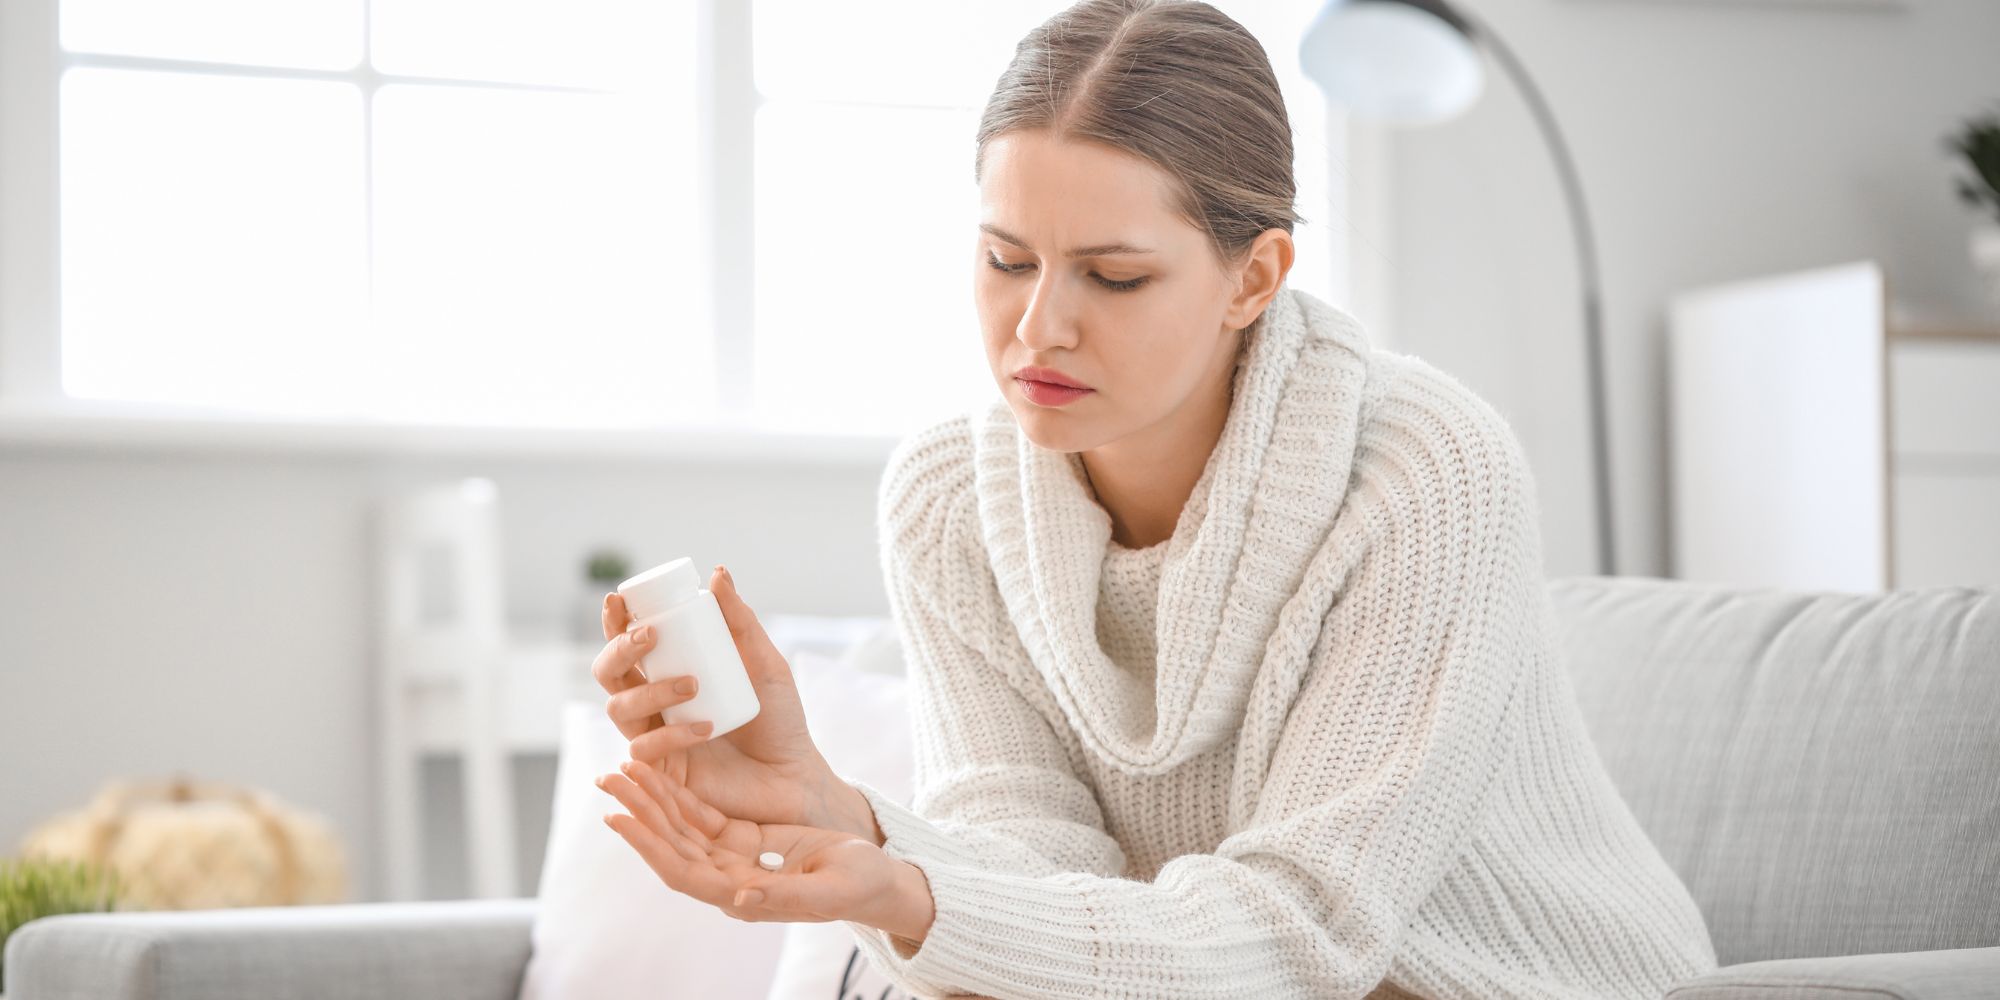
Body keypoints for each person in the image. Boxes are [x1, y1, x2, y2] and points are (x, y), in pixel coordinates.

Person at [592, 0, 1720, 996]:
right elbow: (1037, 879)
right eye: (1003, 258)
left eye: (1113, 275)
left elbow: (1303, 934)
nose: (1038, 326)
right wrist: (837, 814)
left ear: (1254, 277)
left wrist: (913, 898)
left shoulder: (1423, 473)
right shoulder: (948, 499)